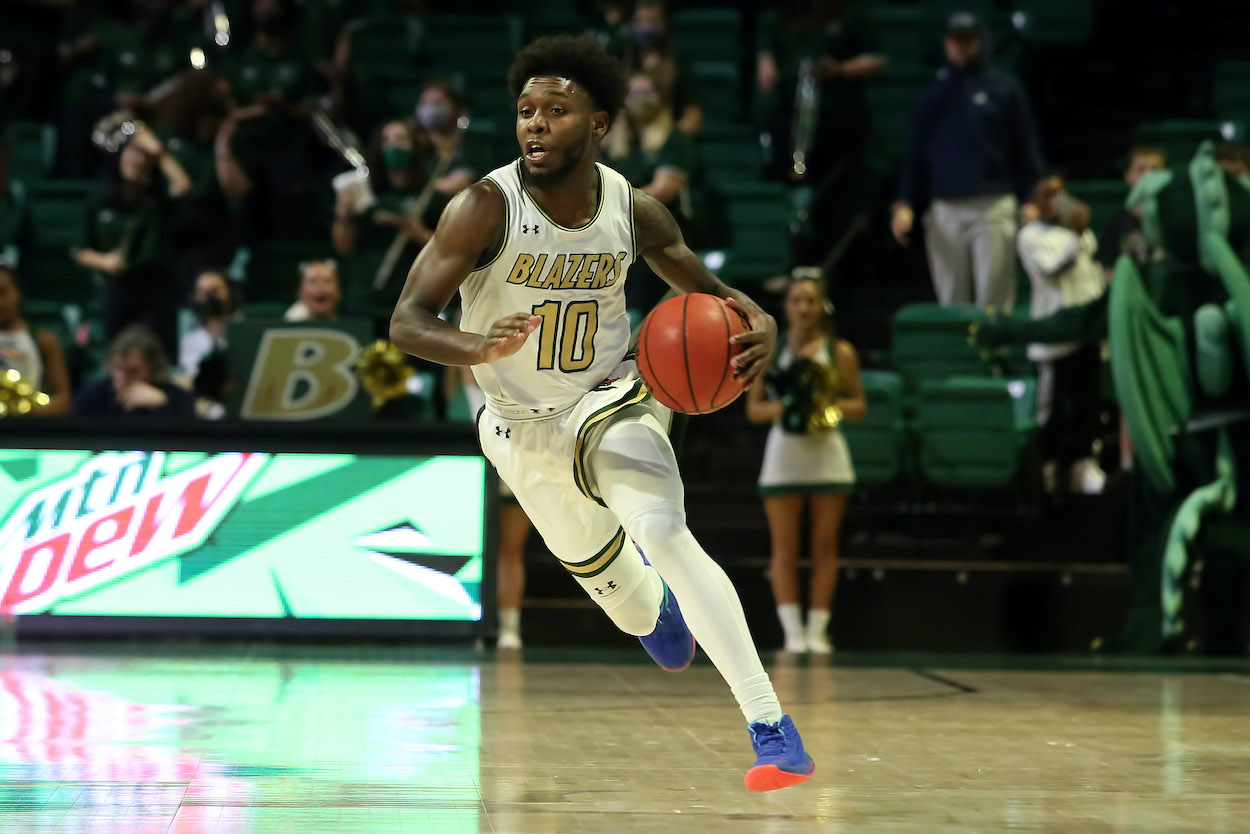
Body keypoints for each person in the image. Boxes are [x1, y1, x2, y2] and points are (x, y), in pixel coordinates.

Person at [389, 34, 814, 792]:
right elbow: (406, 321)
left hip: (613, 398)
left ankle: (771, 727)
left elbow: (719, 297)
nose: (536, 125)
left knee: (664, 532)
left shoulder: (633, 206)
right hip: (520, 429)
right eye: (526, 111)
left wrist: (764, 323)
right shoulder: (484, 207)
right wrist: (476, 348)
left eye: (557, 110)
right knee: (634, 614)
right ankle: (656, 614)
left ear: (599, 124)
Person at [891, 11, 1045, 314]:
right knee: (951, 303)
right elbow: (915, 154)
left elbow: (1025, 148)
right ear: (947, 43)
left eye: (967, 39)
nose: (961, 46)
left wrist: (1032, 198)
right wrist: (904, 202)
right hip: (945, 209)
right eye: (955, 40)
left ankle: (995, 361)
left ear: (979, 42)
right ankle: (958, 360)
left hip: (993, 203)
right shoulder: (932, 93)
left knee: (995, 302)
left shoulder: (1004, 87)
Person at [746, 276, 865, 653]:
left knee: (825, 546)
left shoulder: (839, 351)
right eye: (797, 300)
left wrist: (822, 406)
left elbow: (858, 405)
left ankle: (818, 631)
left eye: (811, 300)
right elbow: (754, 409)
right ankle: (792, 633)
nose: (804, 308)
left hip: (827, 455)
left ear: (822, 305)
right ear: (787, 306)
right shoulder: (771, 351)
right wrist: (788, 405)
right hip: (784, 457)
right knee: (783, 548)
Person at [1017, 176, 1107, 496]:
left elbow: (1090, 273)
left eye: (1061, 194)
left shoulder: (1079, 231)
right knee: (1053, 409)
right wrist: (1078, 233)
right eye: (1048, 195)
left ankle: (1084, 466)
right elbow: (1053, 269)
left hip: (1087, 330)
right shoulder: (1030, 236)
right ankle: (1048, 468)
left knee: (1089, 403)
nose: (1057, 201)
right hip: (1055, 334)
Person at [74, 124, 190, 358]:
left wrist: (159, 151)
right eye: (132, 153)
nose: (137, 161)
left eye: (144, 156)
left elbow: (182, 186)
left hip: (156, 290)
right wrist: (105, 261)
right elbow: (80, 250)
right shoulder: (100, 200)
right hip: (118, 290)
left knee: (156, 357)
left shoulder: (157, 201)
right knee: (117, 357)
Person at [604, 70, 709, 319]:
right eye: (634, 93)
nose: (640, 98)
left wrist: (609, 199)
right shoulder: (623, 149)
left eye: (646, 91)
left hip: (667, 240)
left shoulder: (676, 140)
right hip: (627, 243)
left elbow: (663, 190)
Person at [448, 363, 535, 650]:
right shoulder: (465, 390)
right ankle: (472, 626)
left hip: (512, 475)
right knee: (470, 552)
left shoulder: (521, 390)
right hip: (471, 478)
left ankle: (510, 628)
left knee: (510, 550)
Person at [72, 324, 195, 418]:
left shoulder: (176, 398)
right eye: (118, 369)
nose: (123, 377)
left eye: (133, 371)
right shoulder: (91, 397)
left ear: (153, 369)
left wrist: (162, 406)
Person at [618, 0, 701, 135]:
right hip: (628, 135)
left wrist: (677, 140)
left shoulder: (677, 62)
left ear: (664, 24)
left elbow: (693, 109)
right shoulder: (622, 59)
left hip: (664, 134)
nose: (647, 28)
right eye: (642, 22)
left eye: (652, 21)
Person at [0, 264, 71, 415]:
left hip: (29, 430)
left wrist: (27, 414)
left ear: (18, 293)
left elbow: (63, 398)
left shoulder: (43, 340)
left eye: (3, 293)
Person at [1096, 145, 1166, 276]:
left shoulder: (1173, 217)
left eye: (1155, 169)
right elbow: (1106, 269)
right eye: (1141, 169)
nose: (1149, 175)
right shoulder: (1117, 221)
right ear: (1128, 176)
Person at [179, 268, 237, 418]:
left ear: (229, 293)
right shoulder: (190, 338)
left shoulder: (243, 328)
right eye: (203, 293)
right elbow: (192, 378)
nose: (209, 299)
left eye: (214, 292)